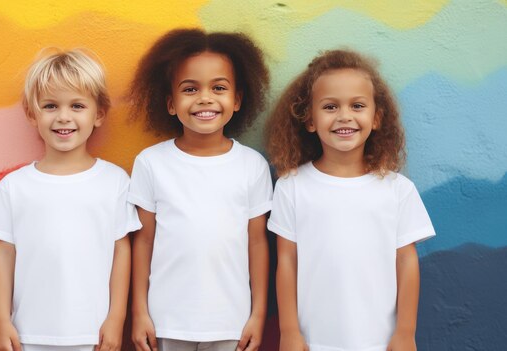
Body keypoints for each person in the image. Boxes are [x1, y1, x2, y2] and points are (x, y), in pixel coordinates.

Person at [266, 49, 435, 351]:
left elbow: (407, 262)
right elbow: (287, 262)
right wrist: (289, 331)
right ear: (309, 120)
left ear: (377, 117)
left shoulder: (398, 190)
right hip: (313, 342)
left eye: (357, 105)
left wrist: (405, 333)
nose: (345, 116)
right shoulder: (291, 187)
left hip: (380, 342)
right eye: (330, 107)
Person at [0, 48, 141, 351]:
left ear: (99, 113)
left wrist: (116, 319)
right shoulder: (13, 188)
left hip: (93, 336)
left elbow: (121, 252)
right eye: (50, 106)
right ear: (31, 114)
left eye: (77, 105)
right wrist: (2, 322)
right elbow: (4, 255)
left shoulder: (115, 182)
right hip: (29, 336)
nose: (63, 117)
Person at [127, 28, 272, 351]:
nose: (205, 98)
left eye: (218, 87)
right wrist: (139, 312)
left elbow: (258, 243)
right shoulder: (151, 163)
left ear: (236, 100)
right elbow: (144, 241)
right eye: (190, 88)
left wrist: (258, 314)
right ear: (170, 103)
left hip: (231, 322)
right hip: (167, 320)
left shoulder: (252, 166)